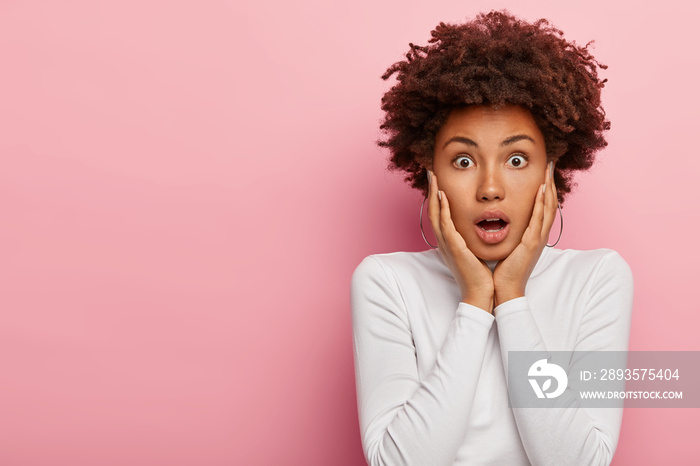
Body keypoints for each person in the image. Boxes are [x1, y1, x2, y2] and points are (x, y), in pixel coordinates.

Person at [350, 10, 633, 466]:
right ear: (428, 173)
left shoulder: (598, 278)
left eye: (516, 159)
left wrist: (513, 299)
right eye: (463, 161)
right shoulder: (386, 282)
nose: (489, 187)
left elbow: (579, 462)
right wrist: (476, 301)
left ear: (551, 171)